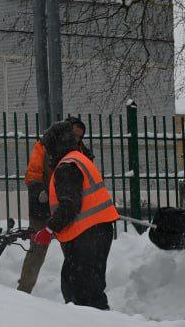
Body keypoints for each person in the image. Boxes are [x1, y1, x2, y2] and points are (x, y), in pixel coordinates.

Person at [30, 119, 119, 309]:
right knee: (81, 287)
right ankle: (92, 326)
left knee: (82, 291)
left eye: (47, 147)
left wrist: (49, 229)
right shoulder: (78, 158)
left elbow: (70, 206)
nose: (46, 152)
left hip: (89, 236)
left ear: (55, 143)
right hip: (96, 232)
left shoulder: (67, 166)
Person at [18, 117, 86, 294]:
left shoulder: (80, 151)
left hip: (66, 209)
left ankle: (77, 291)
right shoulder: (43, 147)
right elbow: (32, 175)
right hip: (44, 208)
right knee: (37, 252)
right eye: (74, 135)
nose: (77, 140)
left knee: (72, 253)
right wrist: (42, 194)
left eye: (80, 136)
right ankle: (23, 291)